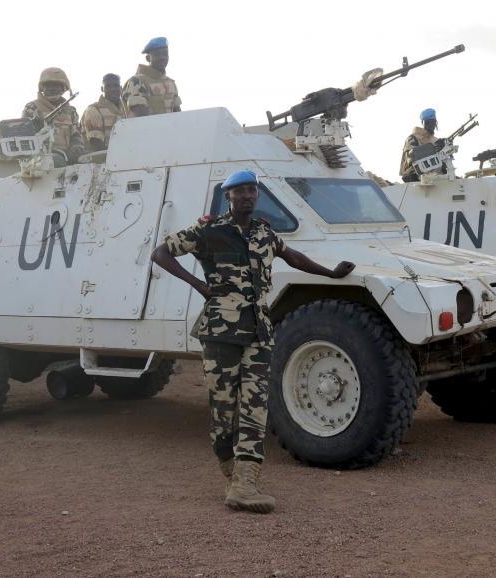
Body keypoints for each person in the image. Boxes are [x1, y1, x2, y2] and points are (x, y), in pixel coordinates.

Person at [150, 170, 354, 513]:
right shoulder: (208, 230)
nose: (247, 195)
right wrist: (199, 285)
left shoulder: (265, 233)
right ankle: (229, 470)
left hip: (258, 333)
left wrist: (332, 273)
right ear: (228, 196)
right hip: (220, 334)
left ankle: (245, 482)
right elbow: (161, 253)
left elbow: (294, 258)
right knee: (223, 409)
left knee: (256, 406)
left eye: (252, 190)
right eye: (240, 190)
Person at [22, 67, 84, 165]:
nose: (52, 88)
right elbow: (24, 138)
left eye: (56, 85)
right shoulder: (32, 107)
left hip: (67, 157)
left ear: (63, 88)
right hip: (40, 159)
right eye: (48, 85)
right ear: (43, 87)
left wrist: (76, 148)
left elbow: (76, 135)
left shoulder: (71, 111)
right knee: (58, 161)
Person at [122, 37, 182, 117]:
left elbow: (178, 113)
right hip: (147, 129)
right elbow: (141, 115)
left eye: (165, 54)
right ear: (148, 58)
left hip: (170, 128)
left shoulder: (170, 82)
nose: (162, 58)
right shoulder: (137, 81)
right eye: (157, 54)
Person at [81, 74, 125, 152]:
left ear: (121, 88)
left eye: (116, 86)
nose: (113, 89)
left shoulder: (127, 109)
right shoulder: (94, 109)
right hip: (102, 159)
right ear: (102, 89)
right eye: (108, 86)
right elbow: (96, 144)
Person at [399, 108, 441, 182]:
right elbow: (412, 157)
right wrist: (433, 148)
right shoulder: (413, 138)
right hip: (414, 176)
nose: (431, 125)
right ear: (423, 123)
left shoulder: (434, 140)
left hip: (434, 176)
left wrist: (444, 148)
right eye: (428, 122)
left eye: (433, 122)